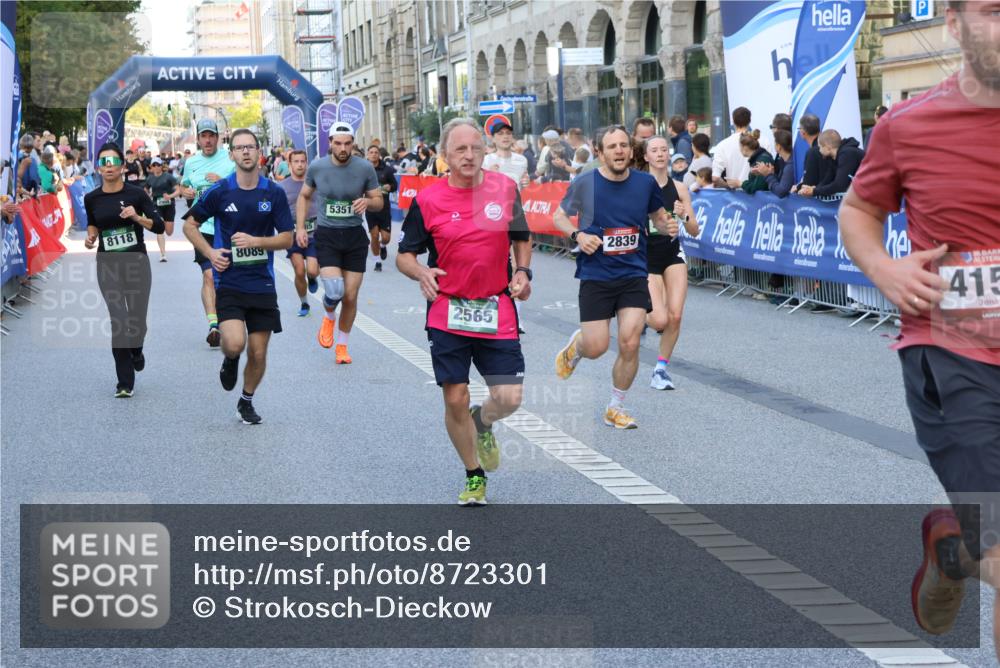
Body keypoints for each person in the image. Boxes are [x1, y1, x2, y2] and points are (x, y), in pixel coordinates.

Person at [838, 0, 1000, 651]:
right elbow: (858, 210)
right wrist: (884, 269)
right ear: (954, 24)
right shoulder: (908, 125)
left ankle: (956, 550)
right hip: (954, 354)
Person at [396, 118, 532, 505]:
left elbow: (522, 238)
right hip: (447, 310)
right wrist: (421, 272)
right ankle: (474, 474)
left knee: (509, 397)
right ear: (444, 156)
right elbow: (404, 256)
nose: (469, 155)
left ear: (485, 151)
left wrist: (522, 271)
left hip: (496, 307)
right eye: (460, 149)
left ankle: (482, 420)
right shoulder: (428, 200)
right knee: (454, 396)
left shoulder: (505, 189)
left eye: (475, 148)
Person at [552, 125, 677, 428]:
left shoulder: (645, 183)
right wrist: (578, 235)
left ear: (631, 151)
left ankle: (616, 407)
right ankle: (578, 346)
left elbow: (658, 218)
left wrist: (668, 225)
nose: (619, 151)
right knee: (596, 347)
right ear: (600, 152)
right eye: (612, 147)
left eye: (623, 145)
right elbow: (559, 216)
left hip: (633, 272)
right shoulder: (586, 183)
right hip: (596, 274)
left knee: (630, 342)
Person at [184, 129, 294, 425]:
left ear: (259, 152)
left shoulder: (273, 192)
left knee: (258, 353)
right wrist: (210, 253)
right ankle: (230, 359)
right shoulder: (220, 191)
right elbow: (190, 226)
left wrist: (257, 242)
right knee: (234, 343)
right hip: (229, 281)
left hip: (262, 282)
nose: (245, 152)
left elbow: (287, 237)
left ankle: (246, 401)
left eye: (250, 147)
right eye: (239, 148)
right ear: (231, 154)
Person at [296, 122, 383, 365]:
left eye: (347, 144)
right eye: (338, 143)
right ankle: (329, 316)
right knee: (335, 291)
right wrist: (300, 227)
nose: (343, 148)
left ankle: (342, 346)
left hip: (354, 236)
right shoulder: (317, 167)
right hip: (328, 235)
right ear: (330, 143)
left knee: (351, 296)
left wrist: (368, 202)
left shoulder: (364, 167)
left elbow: (378, 201)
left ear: (353, 143)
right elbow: (304, 196)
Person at [83, 142, 164, 397]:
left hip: (136, 264)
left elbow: (159, 226)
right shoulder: (91, 198)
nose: (108, 167)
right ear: (98, 168)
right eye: (104, 162)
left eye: (113, 162)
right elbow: (93, 223)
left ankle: (136, 350)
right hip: (107, 265)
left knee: (137, 321)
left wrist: (137, 217)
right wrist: (90, 237)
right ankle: (124, 383)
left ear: (122, 167)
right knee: (118, 320)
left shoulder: (137, 195)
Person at [641, 136, 699, 390]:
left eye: (664, 149)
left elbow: (694, 230)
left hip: (672, 255)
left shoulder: (680, 188)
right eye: (654, 150)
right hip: (647, 257)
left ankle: (660, 370)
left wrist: (683, 215)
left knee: (675, 316)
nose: (660, 154)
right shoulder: (639, 187)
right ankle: (633, 309)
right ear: (646, 156)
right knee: (659, 321)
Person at [179, 119, 236, 348]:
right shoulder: (191, 162)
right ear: (198, 139)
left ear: (218, 137)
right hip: (202, 228)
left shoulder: (230, 159)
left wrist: (223, 182)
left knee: (226, 277)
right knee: (209, 275)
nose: (208, 140)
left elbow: (245, 185)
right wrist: (186, 191)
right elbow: (183, 186)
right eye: (204, 136)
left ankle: (229, 316)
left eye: (212, 135)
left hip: (228, 226)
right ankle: (214, 324)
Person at [277, 149, 320, 316]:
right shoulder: (282, 187)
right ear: (290, 164)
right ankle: (304, 303)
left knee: (312, 270)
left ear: (306, 163)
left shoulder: (315, 183)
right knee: (299, 271)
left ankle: (312, 278)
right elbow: (277, 211)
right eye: (296, 161)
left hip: (314, 233)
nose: (300, 165)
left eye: (303, 161)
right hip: (293, 234)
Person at [797, 130, 864, 199]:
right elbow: (828, 179)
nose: (819, 150)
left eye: (820, 147)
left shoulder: (847, 154)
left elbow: (839, 185)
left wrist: (814, 191)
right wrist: (814, 188)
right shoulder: (833, 157)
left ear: (828, 148)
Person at [366, 144, 397, 272]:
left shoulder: (387, 169)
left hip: (384, 208)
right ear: (368, 154)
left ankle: (383, 246)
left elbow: (395, 185)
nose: (373, 154)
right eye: (371, 152)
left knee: (385, 238)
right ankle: (377, 261)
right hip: (370, 208)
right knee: (374, 236)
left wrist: (390, 187)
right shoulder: (364, 169)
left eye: (376, 152)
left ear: (379, 154)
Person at [144, 157, 181, 263]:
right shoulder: (150, 178)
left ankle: (165, 224)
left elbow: (178, 190)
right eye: (154, 165)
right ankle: (163, 254)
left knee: (169, 232)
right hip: (156, 205)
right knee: (160, 229)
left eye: (158, 165)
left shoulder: (168, 177)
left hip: (169, 205)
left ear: (161, 166)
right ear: (151, 167)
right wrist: (148, 195)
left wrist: (170, 196)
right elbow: (145, 189)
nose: (156, 167)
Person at [791, 113, 835, 194]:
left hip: (820, 197)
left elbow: (809, 182)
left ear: (803, 132)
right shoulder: (826, 146)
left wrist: (798, 188)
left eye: (799, 128)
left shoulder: (813, 152)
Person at [712, 106, 753, 189]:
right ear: (749, 121)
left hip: (734, 194)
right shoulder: (763, 141)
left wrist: (728, 186)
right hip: (757, 193)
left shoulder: (722, 145)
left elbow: (715, 178)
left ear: (733, 121)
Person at [482, 122, 529, 188]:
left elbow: (524, 185)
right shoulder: (485, 161)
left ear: (512, 137)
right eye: (500, 133)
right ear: (493, 139)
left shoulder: (522, 160)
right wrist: (489, 176)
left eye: (508, 133)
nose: (505, 136)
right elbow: (479, 189)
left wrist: (526, 183)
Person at [756, 129, 795, 198]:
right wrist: (771, 174)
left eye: (774, 143)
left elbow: (781, 191)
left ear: (779, 146)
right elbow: (781, 184)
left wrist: (767, 175)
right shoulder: (785, 162)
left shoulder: (790, 165)